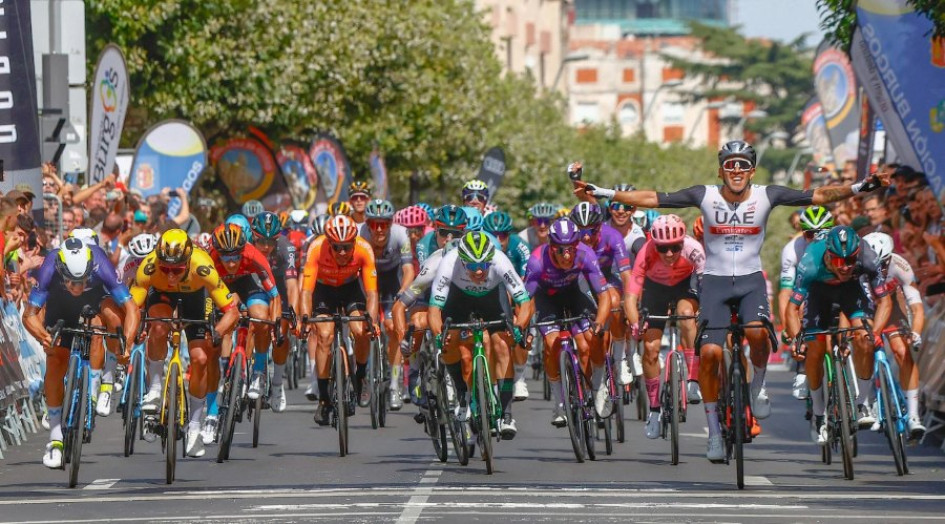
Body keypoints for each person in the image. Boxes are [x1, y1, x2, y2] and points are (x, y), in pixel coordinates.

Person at [576, 139, 889, 462]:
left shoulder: (767, 195)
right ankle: (714, 432)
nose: (736, 170)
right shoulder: (705, 195)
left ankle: (758, 387)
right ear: (720, 171)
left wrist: (860, 187)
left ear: (752, 171)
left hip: (751, 281)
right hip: (715, 282)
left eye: (743, 165)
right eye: (730, 165)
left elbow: (819, 195)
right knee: (711, 354)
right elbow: (656, 197)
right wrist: (607, 193)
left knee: (757, 333)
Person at [24, 237, 140, 468]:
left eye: (81, 280)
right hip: (60, 303)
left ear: (90, 268)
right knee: (56, 359)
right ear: (61, 270)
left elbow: (132, 309)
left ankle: (104, 381)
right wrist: (44, 337)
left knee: (112, 319)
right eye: (71, 281)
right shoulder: (50, 266)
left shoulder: (100, 262)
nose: (76, 286)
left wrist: (126, 344)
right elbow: (29, 314)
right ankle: (55, 439)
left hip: (95, 298)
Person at [130, 229, 240, 457]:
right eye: (166, 269)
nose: (171, 275)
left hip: (195, 296)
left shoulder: (203, 267)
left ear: (188, 262)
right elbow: (132, 308)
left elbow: (232, 311)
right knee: (158, 327)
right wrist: (133, 333)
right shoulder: (149, 267)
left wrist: (217, 333)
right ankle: (155, 388)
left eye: (177, 270)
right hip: (161, 294)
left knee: (201, 358)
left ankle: (195, 427)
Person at [784, 226, 892, 444]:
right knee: (814, 348)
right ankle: (818, 413)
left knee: (865, 339)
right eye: (838, 261)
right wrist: (797, 340)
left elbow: (884, 302)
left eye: (850, 261)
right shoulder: (810, 262)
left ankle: (861, 404)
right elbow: (792, 308)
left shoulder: (867, 257)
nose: (844, 267)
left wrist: (875, 333)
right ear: (828, 255)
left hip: (851, 291)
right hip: (818, 294)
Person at [428, 231, 533, 439]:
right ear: (462, 260)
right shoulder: (449, 263)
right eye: (472, 266)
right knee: (448, 341)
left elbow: (524, 301)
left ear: (490, 260)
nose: (478, 271)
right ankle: (461, 392)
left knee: (502, 343)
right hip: (459, 299)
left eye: (484, 265)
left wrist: (519, 326)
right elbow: (434, 310)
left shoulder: (500, 260)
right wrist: (440, 335)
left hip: (492, 299)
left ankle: (506, 414)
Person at [524, 217, 611, 427]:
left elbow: (604, 296)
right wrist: (524, 328)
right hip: (547, 299)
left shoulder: (585, 254)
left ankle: (598, 386)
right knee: (551, 344)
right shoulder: (537, 261)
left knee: (592, 339)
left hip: (574, 294)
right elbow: (525, 301)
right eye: (561, 249)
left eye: (571, 248)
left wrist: (599, 323)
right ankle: (559, 403)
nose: (567, 255)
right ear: (551, 247)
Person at [624, 215, 704, 439]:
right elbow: (630, 297)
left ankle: (693, 380)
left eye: (675, 247)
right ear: (654, 244)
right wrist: (635, 323)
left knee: (687, 315)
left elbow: (708, 286)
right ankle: (654, 410)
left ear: (683, 241)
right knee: (650, 349)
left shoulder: (694, 249)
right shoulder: (646, 252)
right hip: (655, 290)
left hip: (684, 286)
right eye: (663, 248)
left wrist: (707, 311)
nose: (669, 254)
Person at [300, 215, 381, 425]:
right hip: (323, 291)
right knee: (324, 336)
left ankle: (360, 376)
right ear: (329, 243)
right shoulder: (316, 248)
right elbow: (306, 292)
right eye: (337, 247)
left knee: (361, 330)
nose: (342, 252)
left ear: (354, 242)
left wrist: (372, 321)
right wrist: (305, 319)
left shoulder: (364, 249)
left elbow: (372, 293)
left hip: (351, 290)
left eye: (347, 247)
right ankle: (324, 399)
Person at [569, 202, 632, 414]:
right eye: (581, 232)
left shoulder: (612, 236)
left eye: (592, 231)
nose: (586, 237)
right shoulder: (570, 243)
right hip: (580, 282)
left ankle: (620, 358)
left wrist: (630, 301)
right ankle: (588, 388)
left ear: (600, 227)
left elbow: (626, 274)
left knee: (615, 303)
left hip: (606, 278)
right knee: (586, 346)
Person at [863, 232, 926, 438]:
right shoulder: (857, 265)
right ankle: (866, 402)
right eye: (876, 264)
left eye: (884, 263)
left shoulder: (901, 266)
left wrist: (916, 333)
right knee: (863, 346)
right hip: (866, 307)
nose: (880, 269)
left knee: (902, 351)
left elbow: (916, 307)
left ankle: (913, 416)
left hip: (891, 306)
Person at [360, 199, 415, 409]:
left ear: (391, 223)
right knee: (362, 328)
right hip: (366, 279)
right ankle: (363, 376)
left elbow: (408, 270)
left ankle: (393, 384)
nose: (379, 229)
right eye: (374, 224)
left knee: (392, 328)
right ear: (367, 224)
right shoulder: (359, 234)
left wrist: (403, 292)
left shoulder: (401, 234)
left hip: (392, 280)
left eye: (384, 224)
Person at [777, 206, 834, 400]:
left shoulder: (838, 243)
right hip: (806, 290)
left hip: (834, 289)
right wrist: (788, 328)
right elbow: (786, 293)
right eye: (810, 234)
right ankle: (802, 367)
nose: (816, 238)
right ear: (803, 233)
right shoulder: (791, 250)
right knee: (801, 307)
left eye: (822, 233)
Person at [249, 211, 299, 414]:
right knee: (258, 324)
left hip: (278, 286)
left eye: (271, 241)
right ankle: (253, 373)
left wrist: (293, 313)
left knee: (281, 334)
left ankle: (277, 383)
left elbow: (292, 285)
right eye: (261, 241)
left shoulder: (287, 248)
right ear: (253, 236)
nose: (266, 246)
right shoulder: (246, 245)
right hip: (255, 284)